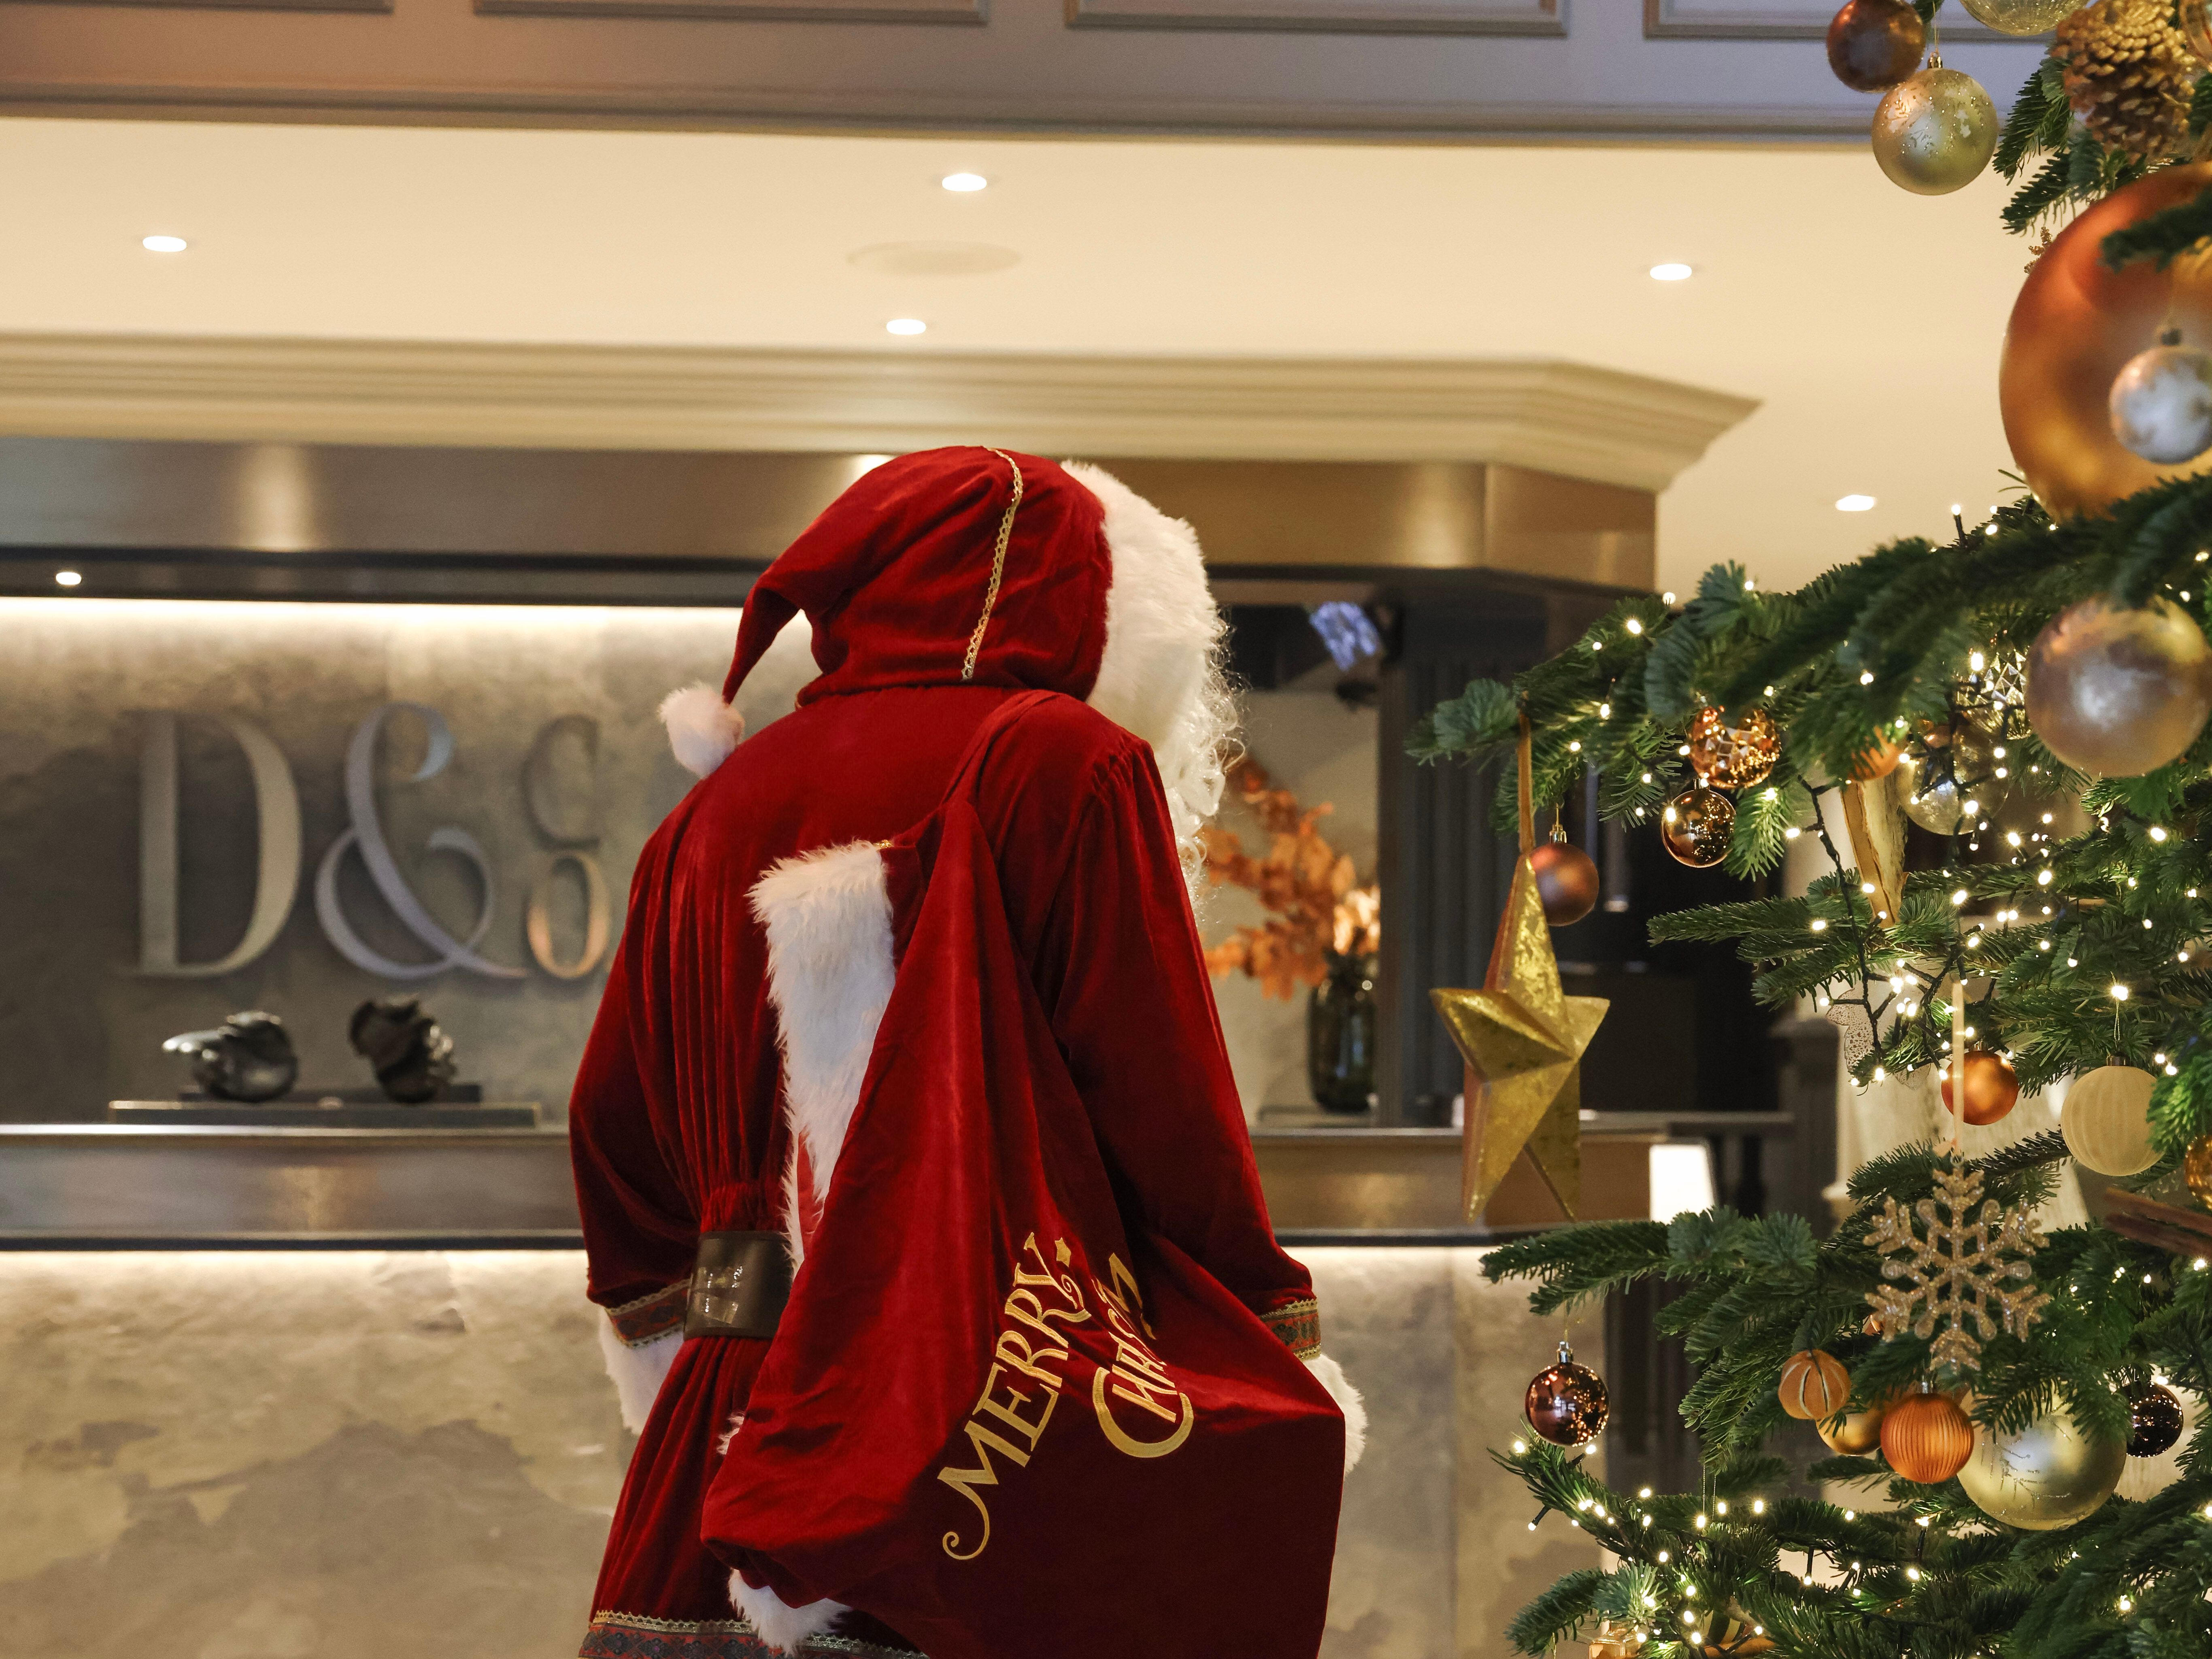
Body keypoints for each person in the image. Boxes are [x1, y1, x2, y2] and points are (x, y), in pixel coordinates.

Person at [569, 447, 1365, 1659]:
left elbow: (610, 1128)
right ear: (1062, 583)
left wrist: (693, 1351)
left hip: (723, 1437)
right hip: (986, 1409)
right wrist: (1270, 1343)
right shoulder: (1060, 759)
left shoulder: (707, 814)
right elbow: (1165, 1112)